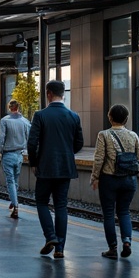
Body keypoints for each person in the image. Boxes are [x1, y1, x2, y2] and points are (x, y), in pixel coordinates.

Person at [27, 80, 84, 259]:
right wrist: (67, 153)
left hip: (45, 167)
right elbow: (79, 143)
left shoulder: (40, 115)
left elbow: (32, 143)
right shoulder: (74, 116)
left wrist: (34, 162)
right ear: (63, 94)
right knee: (61, 205)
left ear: (48, 93)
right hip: (65, 167)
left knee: (42, 202)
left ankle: (50, 237)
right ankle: (60, 248)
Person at [91, 104, 139, 259]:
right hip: (129, 179)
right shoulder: (133, 136)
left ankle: (112, 248)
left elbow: (99, 158)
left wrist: (95, 177)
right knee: (124, 211)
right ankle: (127, 241)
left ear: (110, 117)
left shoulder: (104, 135)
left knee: (108, 213)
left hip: (109, 179)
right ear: (126, 119)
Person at [0, 100, 31, 218]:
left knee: (10, 180)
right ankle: (13, 200)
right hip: (19, 155)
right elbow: (30, 137)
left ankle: (15, 205)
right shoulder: (25, 122)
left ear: (9, 108)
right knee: (15, 180)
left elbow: (1, 138)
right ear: (18, 107)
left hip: (8, 154)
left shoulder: (5, 121)